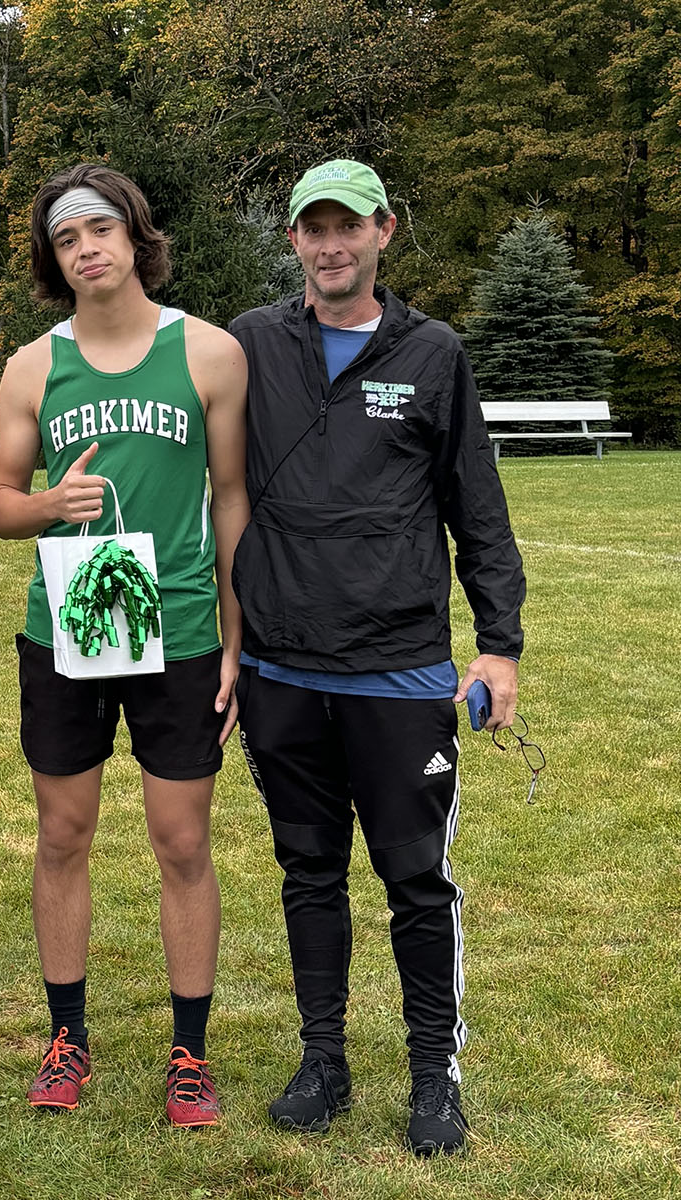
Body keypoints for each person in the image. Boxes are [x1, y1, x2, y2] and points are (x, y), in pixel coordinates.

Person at [230, 159, 526, 1156]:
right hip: (280, 670)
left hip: (399, 673)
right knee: (308, 869)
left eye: (347, 226)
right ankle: (323, 1059)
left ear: (384, 231)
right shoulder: (252, 344)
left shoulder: (432, 353)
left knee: (414, 878)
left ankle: (434, 1070)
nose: (330, 244)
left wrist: (500, 647)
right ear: (294, 240)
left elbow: (477, 510)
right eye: (312, 227)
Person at [0, 164, 250, 1126]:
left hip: (177, 628)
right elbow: (0, 506)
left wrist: (234, 635)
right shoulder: (30, 367)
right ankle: (69, 1038)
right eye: (67, 238)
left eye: (101, 228)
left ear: (136, 237)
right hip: (68, 626)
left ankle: (190, 1053)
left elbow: (231, 500)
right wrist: (51, 504)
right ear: (54, 261)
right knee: (63, 834)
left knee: (182, 842)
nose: (87, 247)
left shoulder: (210, 354)